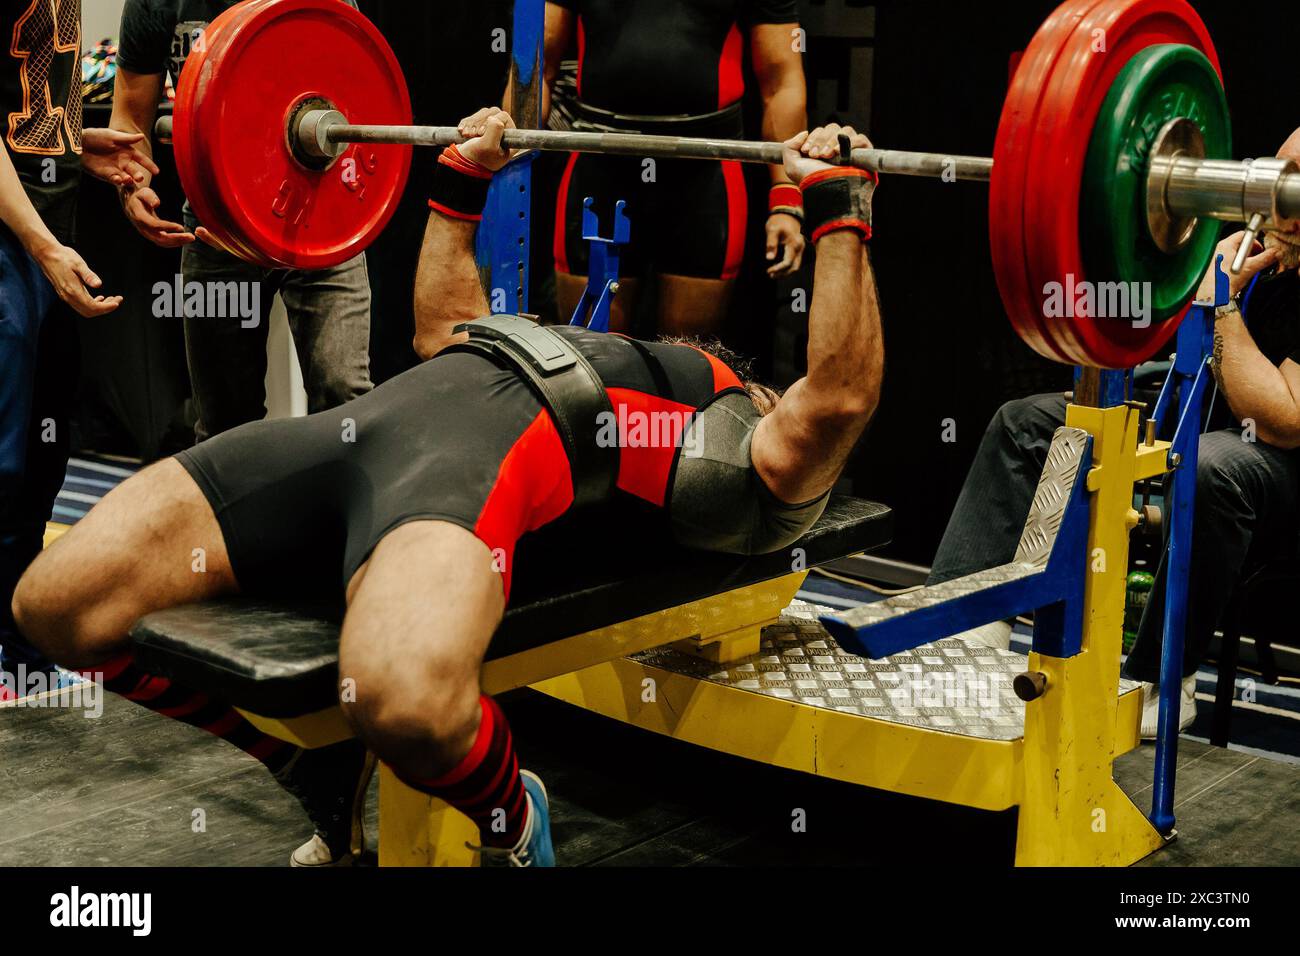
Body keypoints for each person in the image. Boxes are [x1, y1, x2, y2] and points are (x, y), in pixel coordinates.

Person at [13, 109, 884, 866]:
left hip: (459, 475)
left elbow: (840, 395)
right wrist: (462, 181)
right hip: (357, 434)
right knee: (57, 603)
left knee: (407, 701)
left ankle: (511, 812)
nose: (783, 396)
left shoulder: (728, 452)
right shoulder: (585, 346)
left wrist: (838, 206)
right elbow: (440, 328)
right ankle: (301, 761)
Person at [930, 133, 1300, 738]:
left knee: (1207, 468)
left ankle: (1163, 680)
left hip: (1279, 465)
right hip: (1207, 412)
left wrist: (1222, 306)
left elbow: (1283, 421)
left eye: (1292, 187)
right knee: (1026, 424)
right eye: (1277, 175)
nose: (1274, 203)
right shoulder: (1260, 250)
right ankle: (960, 637)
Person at [109, 0, 373, 442]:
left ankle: (345, 511)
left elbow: (362, 95)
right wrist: (132, 186)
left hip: (319, 220)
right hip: (217, 229)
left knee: (343, 393)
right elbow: (130, 117)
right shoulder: (156, 3)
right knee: (223, 423)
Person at [1, 0, 163, 689]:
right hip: (16, 246)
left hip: (49, 228)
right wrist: (39, 246)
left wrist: (77, 143)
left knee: (42, 455)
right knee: (3, 460)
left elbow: (26, 111)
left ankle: (19, 638)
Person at [542, 0, 808, 336]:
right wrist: (503, 175)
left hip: (704, 174)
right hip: (601, 167)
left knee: (689, 363)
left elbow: (781, 82)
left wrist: (786, 197)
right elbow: (537, 70)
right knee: (591, 358)